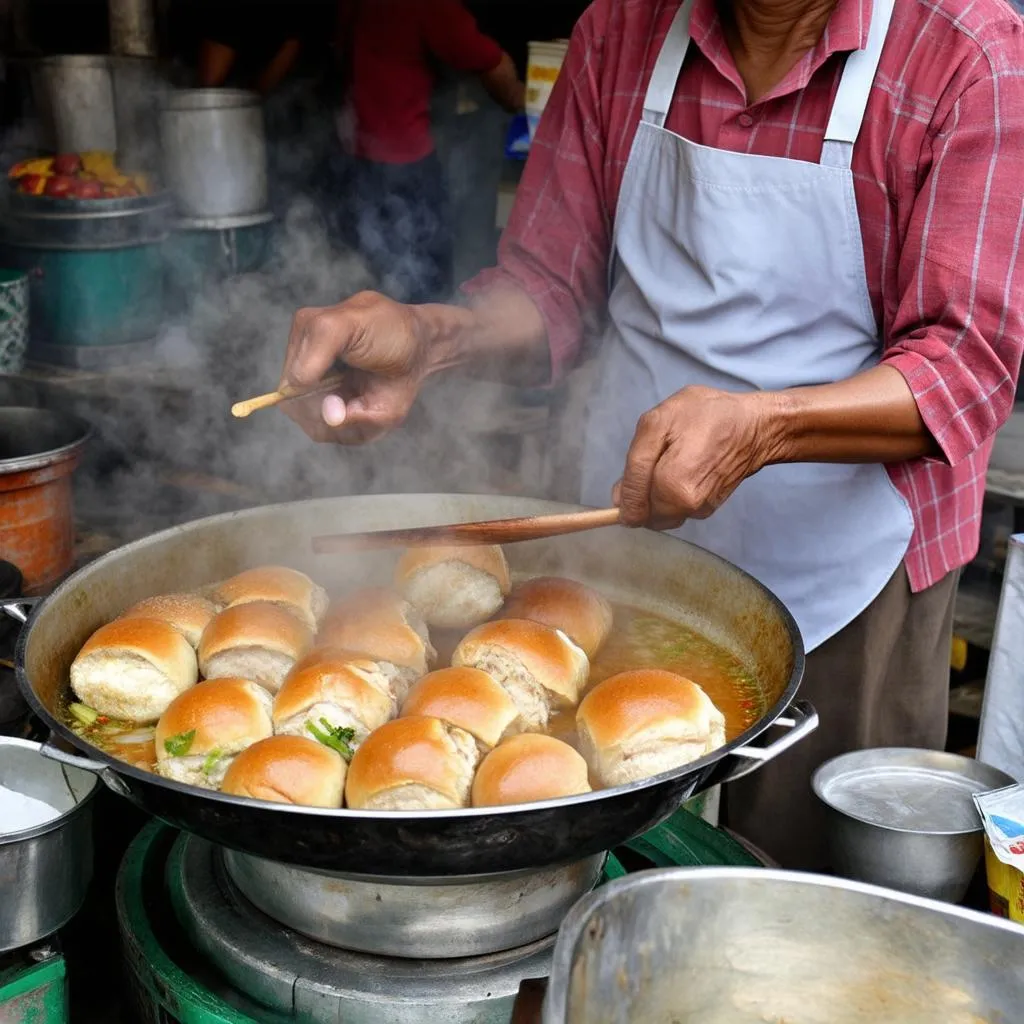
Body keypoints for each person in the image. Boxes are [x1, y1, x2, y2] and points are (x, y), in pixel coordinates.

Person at [276, 0, 1024, 869]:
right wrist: (430, 338)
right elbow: (550, 284)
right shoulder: (620, 28)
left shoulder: (966, 51)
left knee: (788, 909)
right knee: (591, 883)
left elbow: (967, 364)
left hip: (851, 588)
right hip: (621, 555)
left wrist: (762, 424)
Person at [329, 0, 525, 303]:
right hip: (406, 169)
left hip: (355, 161)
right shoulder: (428, 5)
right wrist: (521, 100)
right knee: (425, 288)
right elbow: (492, 63)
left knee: (367, 279)